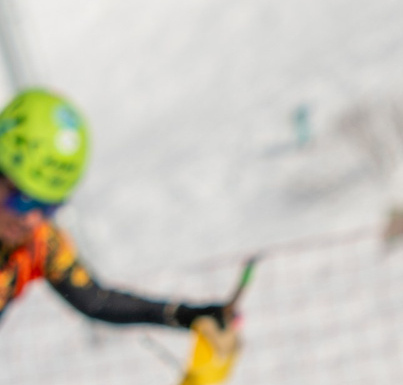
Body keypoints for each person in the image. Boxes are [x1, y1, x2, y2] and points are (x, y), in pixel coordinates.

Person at [1, 89, 237, 336]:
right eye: (23, 199)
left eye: (48, 206)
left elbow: (97, 302)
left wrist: (188, 316)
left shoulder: (39, 242)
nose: (32, 219)